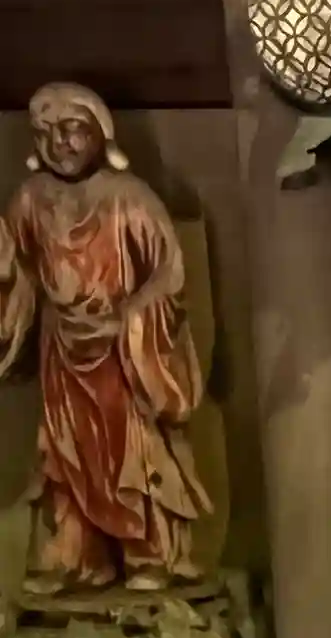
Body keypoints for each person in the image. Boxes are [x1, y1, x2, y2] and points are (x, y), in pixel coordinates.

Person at [0, 83, 208, 591]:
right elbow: (16, 269)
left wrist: (134, 319)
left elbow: (169, 275)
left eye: (73, 130)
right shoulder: (30, 201)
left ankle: (148, 553)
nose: (61, 145)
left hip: (120, 348)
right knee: (66, 455)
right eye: (46, 134)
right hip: (61, 350)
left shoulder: (129, 199)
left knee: (130, 451)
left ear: (100, 133)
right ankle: (78, 556)